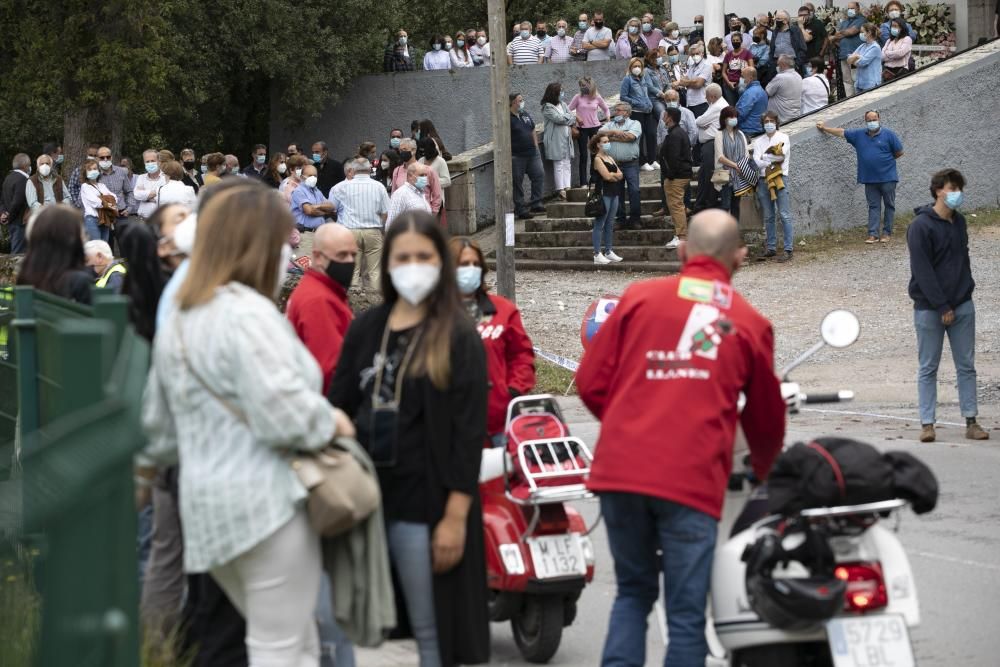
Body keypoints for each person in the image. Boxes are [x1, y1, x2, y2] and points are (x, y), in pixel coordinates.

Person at [141, 183, 356, 667]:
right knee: (284, 648)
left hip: (206, 511)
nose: (289, 250)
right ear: (256, 244)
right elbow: (285, 416)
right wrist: (334, 420)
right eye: (283, 239)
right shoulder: (248, 314)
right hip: (267, 509)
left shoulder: (182, 313)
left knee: (280, 643)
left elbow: (156, 422)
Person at [575, 209, 785, 667]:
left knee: (632, 593)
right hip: (692, 480)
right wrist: (765, 474)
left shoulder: (638, 298)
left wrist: (627, 429)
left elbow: (590, 383)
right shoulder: (750, 323)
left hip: (621, 474)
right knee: (687, 614)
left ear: (685, 251)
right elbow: (767, 421)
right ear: (740, 258)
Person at [329, 210, 489, 667]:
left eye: (424, 256)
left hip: (429, 507)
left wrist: (455, 518)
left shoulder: (458, 335)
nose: (413, 265)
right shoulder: (366, 328)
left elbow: (468, 434)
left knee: (434, 632)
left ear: (439, 262)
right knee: (363, 628)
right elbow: (338, 401)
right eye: (403, 257)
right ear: (388, 263)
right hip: (366, 502)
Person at [906, 169, 989, 443]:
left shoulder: (960, 222)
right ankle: (927, 423)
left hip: (963, 304)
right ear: (939, 190)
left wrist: (964, 293)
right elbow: (923, 270)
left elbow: (963, 261)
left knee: (966, 365)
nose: (958, 194)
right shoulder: (920, 227)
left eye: (959, 189)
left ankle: (971, 420)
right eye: (953, 189)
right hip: (930, 309)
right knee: (928, 366)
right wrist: (942, 306)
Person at [450, 236, 536, 442]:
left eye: (475, 264)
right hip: (451, 429)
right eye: (463, 264)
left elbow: (522, 356)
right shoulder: (434, 314)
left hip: (499, 426)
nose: (471, 269)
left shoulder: (504, 310)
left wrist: (513, 393)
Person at [287, 223, 358, 393]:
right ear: (318, 257)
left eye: (353, 255)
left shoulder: (323, 291)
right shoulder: (318, 300)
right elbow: (330, 369)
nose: (349, 261)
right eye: (341, 255)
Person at [817, 110, 903, 243]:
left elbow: (899, 152)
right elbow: (841, 132)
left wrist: (884, 162)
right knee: (873, 206)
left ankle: (887, 233)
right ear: (865, 121)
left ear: (879, 119)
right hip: (869, 179)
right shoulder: (858, 135)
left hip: (888, 178)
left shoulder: (889, 135)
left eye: (874, 119)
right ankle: (873, 234)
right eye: (869, 120)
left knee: (889, 205)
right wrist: (825, 128)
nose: (872, 122)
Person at [329, 158, 390, 291]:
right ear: (369, 169)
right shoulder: (379, 186)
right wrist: (380, 225)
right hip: (373, 231)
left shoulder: (342, 187)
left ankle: (352, 302)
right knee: (375, 272)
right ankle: (376, 303)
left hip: (350, 231)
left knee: (353, 271)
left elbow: (332, 209)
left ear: (354, 170)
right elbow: (386, 212)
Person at [16, 204, 94, 304]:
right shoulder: (80, 282)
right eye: (81, 232)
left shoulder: (25, 277)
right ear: (70, 239)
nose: (85, 237)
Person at [753, 111, 795, 261]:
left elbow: (781, 156)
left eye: (771, 121)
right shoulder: (759, 141)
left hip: (780, 178)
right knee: (769, 216)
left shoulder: (783, 137)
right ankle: (771, 247)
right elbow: (756, 161)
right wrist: (769, 159)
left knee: (784, 214)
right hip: (764, 179)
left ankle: (788, 248)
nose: (768, 124)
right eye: (766, 121)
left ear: (776, 122)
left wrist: (765, 157)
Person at [599, 101, 642, 229]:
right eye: (615, 110)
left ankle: (635, 219)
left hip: (631, 164)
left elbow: (630, 137)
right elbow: (599, 135)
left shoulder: (635, 123)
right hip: (614, 164)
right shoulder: (610, 124)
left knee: (634, 191)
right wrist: (616, 132)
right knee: (617, 193)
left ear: (627, 113)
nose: (615, 112)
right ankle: (620, 219)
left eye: (618, 110)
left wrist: (610, 136)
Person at [659, 107, 693, 249]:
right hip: (679, 174)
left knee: (676, 206)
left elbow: (673, 157)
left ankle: (681, 236)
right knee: (676, 206)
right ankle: (679, 234)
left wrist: (670, 174)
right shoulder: (677, 132)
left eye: (665, 115)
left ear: (670, 118)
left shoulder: (675, 135)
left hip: (677, 176)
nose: (663, 117)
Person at [509, 93, 546, 221]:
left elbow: (532, 130)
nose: (522, 102)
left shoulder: (525, 114)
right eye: (520, 100)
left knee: (539, 174)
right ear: (513, 103)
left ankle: (536, 203)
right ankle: (520, 209)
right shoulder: (507, 118)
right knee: (517, 182)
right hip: (516, 156)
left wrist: (536, 147)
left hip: (532, 153)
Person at [589, 134, 624, 265]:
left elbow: (620, 175)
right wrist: (614, 175)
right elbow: (607, 177)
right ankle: (597, 253)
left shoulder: (609, 157)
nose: (608, 143)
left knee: (610, 223)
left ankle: (608, 250)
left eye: (608, 141)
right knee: (600, 223)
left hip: (614, 192)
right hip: (604, 193)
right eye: (605, 141)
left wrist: (613, 175)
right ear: (598, 144)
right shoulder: (597, 159)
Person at [568, 77, 610, 187]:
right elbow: (567, 110)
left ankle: (594, 178)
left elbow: (606, 108)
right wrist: (577, 117)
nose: (582, 88)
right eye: (581, 85)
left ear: (590, 85)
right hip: (582, 129)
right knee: (583, 155)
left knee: (595, 153)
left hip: (595, 127)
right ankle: (583, 182)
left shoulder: (597, 96)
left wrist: (608, 118)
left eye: (584, 85)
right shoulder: (577, 97)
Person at [693, 84, 727, 212]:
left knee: (708, 175)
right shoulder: (716, 105)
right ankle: (703, 203)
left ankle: (706, 204)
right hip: (710, 143)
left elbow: (699, 122)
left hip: (712, 144)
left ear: (712, 96)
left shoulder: (717, 106)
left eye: (706, 96)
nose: (705, 99)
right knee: (704, 175)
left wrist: (702, 125)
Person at [540, 83, 576, 200]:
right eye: (560, 91)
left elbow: (573, 117)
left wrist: (568, 118)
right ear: (554, 93)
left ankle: (567, 187)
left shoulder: (563, 104)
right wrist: (568, 118)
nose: (562, 93)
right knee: (559, 164)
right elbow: (558, 119)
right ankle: (560, 189)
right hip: (555, 140)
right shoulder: (548, 107)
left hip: (566, 138)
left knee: (567, 163)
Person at [620, 58, 656, 170]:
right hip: (637, 112)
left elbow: (646, 93)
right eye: (635, 66)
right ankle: (642, 162)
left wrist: (649, 103)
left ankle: (652, 159)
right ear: (630, 68)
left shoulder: (643, 78)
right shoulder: (627, 79)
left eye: (639, 66)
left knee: (651, 134)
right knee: (640, 137)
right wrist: (636, 103)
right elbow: (623, 96)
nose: (637, 68)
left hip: (648, 110)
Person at [391, 139, 443, 215]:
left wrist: (433, 214)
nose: (402, 153)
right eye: (401, 150)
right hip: (402, 217)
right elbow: (394, 193)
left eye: (405, 149)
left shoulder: (427, 170)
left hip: (423, 215)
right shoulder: (397, 170)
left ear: (414, 150)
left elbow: (437, 195)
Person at [96, 146, 135, 232]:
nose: (105, 159)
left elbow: (129, 191)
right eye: (102, 158)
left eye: (108, 157)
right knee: (107, 244)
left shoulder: (121, 171)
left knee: (125, 243)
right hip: (104, 214)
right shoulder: (95, 174)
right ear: (97, 159)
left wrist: (129, 209)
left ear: (111, 157)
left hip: (121, 213)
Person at [832, 1, 866, 97]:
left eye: (852, 8)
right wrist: (839, 35)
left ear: (858, 9)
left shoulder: (861, 20)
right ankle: (849, 99)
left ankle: (859, 98)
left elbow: (851, 32)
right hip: (844, 54)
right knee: (846, 80)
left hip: (855, 54)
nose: (850, 10)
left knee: (856, 78)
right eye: (849, 9)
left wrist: (839, 35)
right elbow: (837, 36)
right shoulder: (845, 22)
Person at [80, 158, 117, 242]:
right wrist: (108, 202)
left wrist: (105, 201)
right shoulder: (85, 186)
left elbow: (115, 198)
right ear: (85, 173)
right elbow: (96, 203)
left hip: (105, 219)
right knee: (96, 246)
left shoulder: (102, 185)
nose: (92, 171)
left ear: (98, 171)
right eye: (89, 169)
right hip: (92, 219)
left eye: (95, 169)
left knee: (104, 246)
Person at [292, 164, 337, 232]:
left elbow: (332, 207)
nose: (313, 178)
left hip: (318, 232)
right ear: (301, 177)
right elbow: (309, 211)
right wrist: (325, 211)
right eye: (310, 176)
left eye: (315, 176)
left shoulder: (317, 191)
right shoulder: (299, 191)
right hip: (305, 232)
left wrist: (317, 206)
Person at [1, 154, 31, 253]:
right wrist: (10, 217)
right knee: (18, 253)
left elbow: (3, 199)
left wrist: (3, 213)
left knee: (16, 249)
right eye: (29, 164)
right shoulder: (23, 179)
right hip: (19, 222)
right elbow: (17, 202)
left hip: (11, 220)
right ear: (25, 166)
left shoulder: (8, 178)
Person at [387, 163, 433, 227]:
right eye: (421, 175)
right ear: (410, 176)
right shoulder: (400, 194)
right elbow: (391, 224)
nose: (425, 178)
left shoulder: (421, 194)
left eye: (426, 175)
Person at [765, 54, 803, 124]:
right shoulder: (798, 76)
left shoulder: (780, 77)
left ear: (783, 65)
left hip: (782, 119)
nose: (777, 67)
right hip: (794, 115)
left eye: (778, 64)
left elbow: (767, 92)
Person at [675, 44, 712, 117]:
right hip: (690, 102)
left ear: (702, 53)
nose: (695, 56)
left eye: (697, 53)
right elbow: (683, 81)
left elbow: (698, 84)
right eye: (693, 54)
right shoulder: (692, 66)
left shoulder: (706, 66)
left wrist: (687, 83)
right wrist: (692, 82)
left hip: (701, 102)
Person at [847, 23, 883, 93]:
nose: (860, 34)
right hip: (859, 83)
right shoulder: (862, 46)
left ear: (869, 33)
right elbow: (848, 60)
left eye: (862, 32)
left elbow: (862, 62)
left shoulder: (875, 47)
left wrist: (856, 56)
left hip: (870, 84)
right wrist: (857, 58)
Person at [134, 149, 166, 220]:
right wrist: (158, 192)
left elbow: (165, 197)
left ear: (159, 162)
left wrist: (145, 197)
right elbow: (136, 195)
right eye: (147, 161)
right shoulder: (141, 177)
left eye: (152, 161)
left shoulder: (165, 178)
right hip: (142, 219)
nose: (150, 163)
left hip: (160, 219)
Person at [736, 67, 768, 135]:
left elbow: (741, 113)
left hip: (749, 129)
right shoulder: (761, 90)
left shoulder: (750, 93)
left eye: (743, 77)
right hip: (758, 127)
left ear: (750, 78)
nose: (741, 79)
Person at [722, 33, 752, 105]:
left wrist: (745, 67)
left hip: (742, 84)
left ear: (741, 41)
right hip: (729, 85)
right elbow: (723, 72)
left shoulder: (747, 53)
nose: (735, 42)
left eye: (737, 40)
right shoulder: (728, 54)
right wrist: (729, 83)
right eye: (733, 40)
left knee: (742, 105)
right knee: (731, 106)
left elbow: (752, 69)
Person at [68, 143, 100, 209]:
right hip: (82, 208)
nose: (92, 157)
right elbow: (72, 189)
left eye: (95, 155)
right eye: (90, 155)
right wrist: (77, 205)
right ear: (86, 155)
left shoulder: (102, 171)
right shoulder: (78, 171)